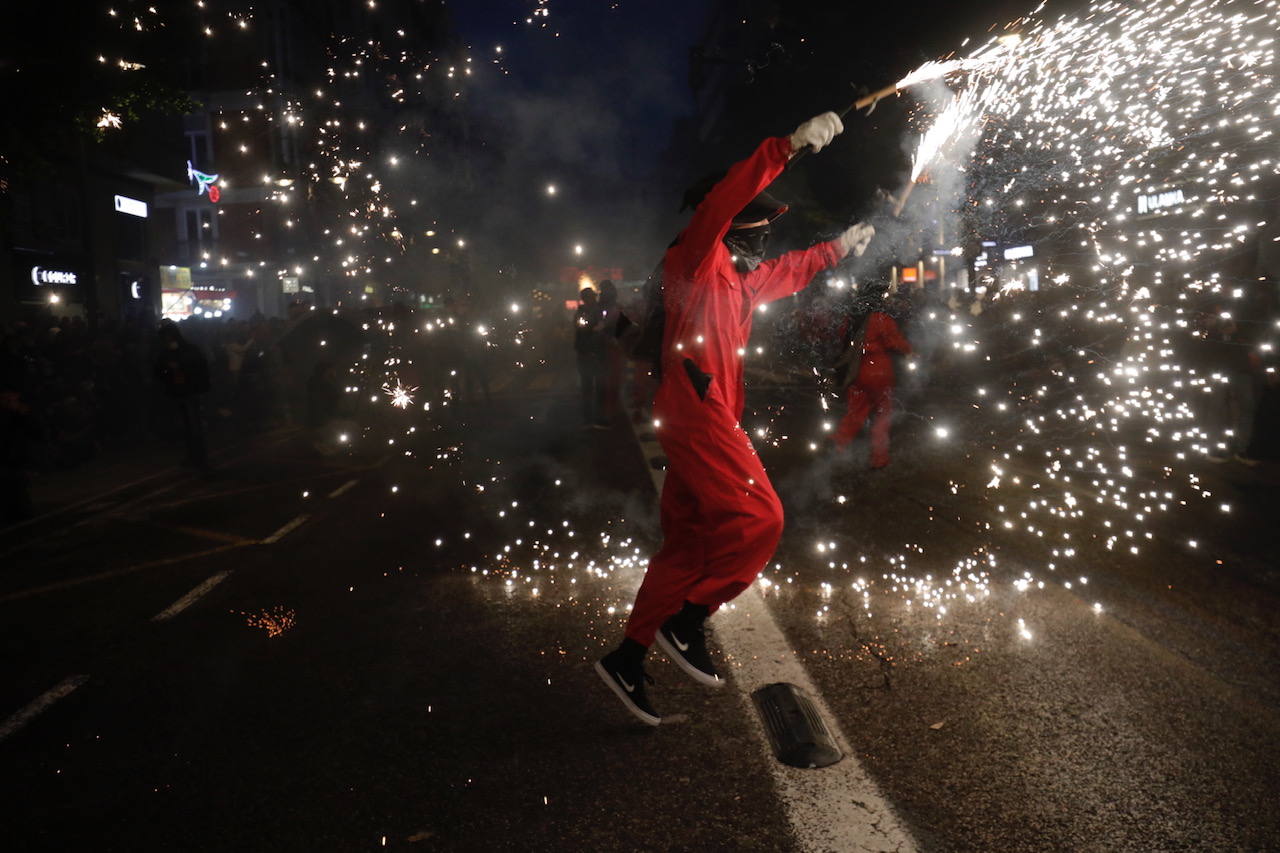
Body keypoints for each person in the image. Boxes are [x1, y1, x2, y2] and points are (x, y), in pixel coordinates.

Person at [594, 111, 876, 725]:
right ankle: (687, 622)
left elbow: (793, 270)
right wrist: (788, 146)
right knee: (761, 518)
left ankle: (628, 656)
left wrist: (842, 246)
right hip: (695, 410)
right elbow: (724, 202)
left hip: (698, 412)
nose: (766, 240)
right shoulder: (694, 260)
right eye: (761, 227)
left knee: (688, 544)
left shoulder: (740, 281)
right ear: (734, 228)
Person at [832, 282, 912, 467]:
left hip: (858, 370)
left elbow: (842, 338)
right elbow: (895, 342)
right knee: (883, 415)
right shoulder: (881, 319)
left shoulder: (852, 318)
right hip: (880, 371)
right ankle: (879, 458)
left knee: (856, 412)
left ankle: (838, 446)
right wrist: (910, 351)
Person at [154, 319, 212, 471]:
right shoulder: (169, 352)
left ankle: (199, 457)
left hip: (189, 391)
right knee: (187, 426)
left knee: (194, 425)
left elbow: (199, 368)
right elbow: (159, 370)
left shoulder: (188, 350)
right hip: (179, 391)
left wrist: (179, 367)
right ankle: (194, 456)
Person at [572, 287, 605, 427]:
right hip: (586, 353)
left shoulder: (599, 310)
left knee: (599, 388)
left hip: (597, 353)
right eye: (588, 297)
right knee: (587, 388)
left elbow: (604, 327)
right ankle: (588, 419)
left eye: (591, 297)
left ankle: (597, 417)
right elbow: (581, 328)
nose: (591, 299)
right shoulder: (581, 311)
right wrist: (594, 327)